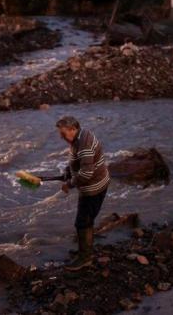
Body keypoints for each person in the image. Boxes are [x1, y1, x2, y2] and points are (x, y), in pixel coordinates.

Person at [56, 116, 110, 271]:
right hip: (95, 184)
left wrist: (69, 184)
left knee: (82, 222)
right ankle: (86, 250)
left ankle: (85, 258)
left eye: (63, 133)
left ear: (73, 129)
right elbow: (78, 161)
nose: (61, 137)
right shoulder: (80, 136)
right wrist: (68, 171)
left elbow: (86, 173)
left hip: (93, 188)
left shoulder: (84, 145)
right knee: (87, 219)